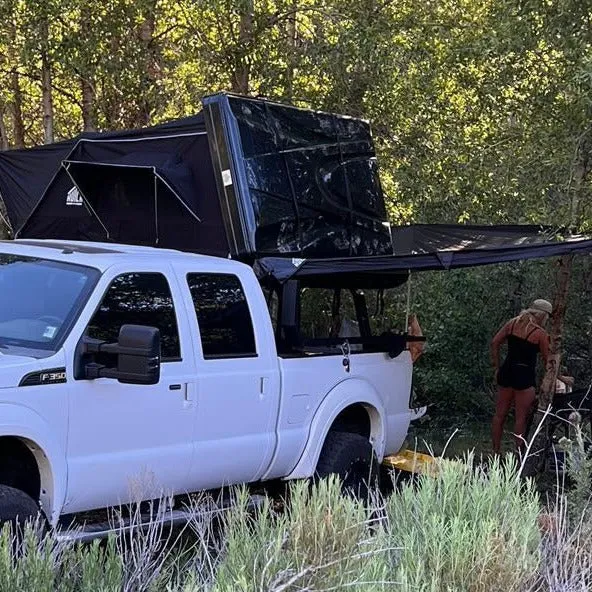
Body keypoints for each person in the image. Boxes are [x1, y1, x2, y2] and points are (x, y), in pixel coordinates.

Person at [491, 299, 552, 454]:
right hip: (524, 377)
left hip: (507, 371)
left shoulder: (512, 324)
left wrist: (497, 367)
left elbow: (495, 342)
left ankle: (495, 453)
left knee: (499, 415)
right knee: (520, 419)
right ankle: (518, 457)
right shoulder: (540, 334)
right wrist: (560, 377)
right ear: (543, 316)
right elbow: (548, 361)